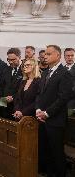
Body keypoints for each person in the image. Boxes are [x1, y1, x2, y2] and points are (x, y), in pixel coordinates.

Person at [36, 45, 72, 177]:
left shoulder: (65, 74)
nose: (45, 56)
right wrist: (38, 109)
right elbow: (39, 94)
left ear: (58, 56)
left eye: (49, 54)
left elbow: (63, 98)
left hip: (55, 120)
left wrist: (47, 113)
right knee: (46, 151)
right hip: (42, 118)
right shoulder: (45, 72)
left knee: (56, 153)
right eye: (45, 53)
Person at [0, 48, 22, 120]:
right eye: (9, 60)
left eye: (13, 60)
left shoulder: (24, 70)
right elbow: (1, 86)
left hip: (17, 107)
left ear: (19, 57)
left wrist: (13, 97)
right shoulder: (6, 69)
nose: (10, 62)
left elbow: (23, 90)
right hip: (4, 105)